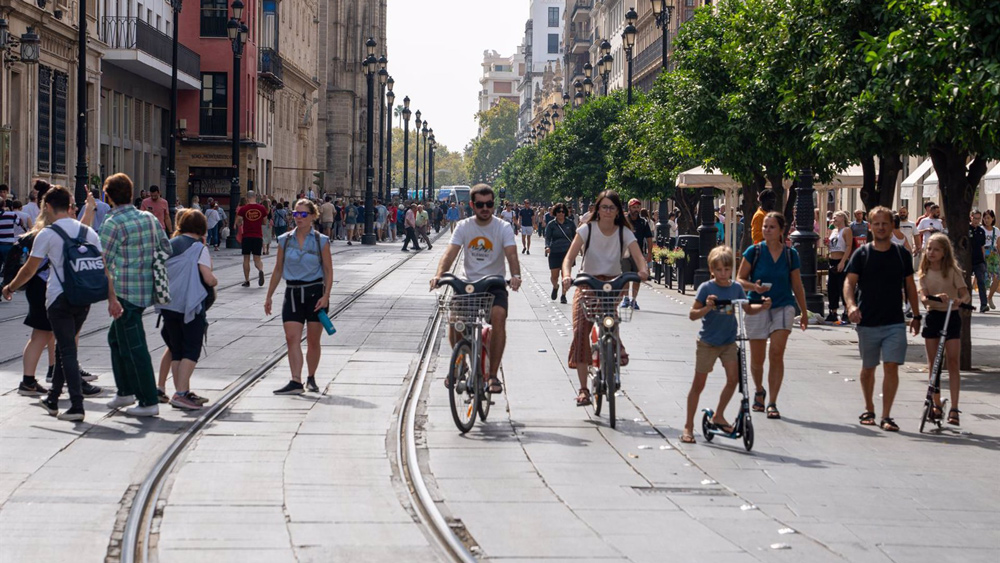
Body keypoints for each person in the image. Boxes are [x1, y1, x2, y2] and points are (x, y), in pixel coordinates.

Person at [2, 186, 103, 421]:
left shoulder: (47, 233)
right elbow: (102, 265)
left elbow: (29, 269)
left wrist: (10, 287)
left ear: (47, 206)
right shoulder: (88, 232)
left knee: (63, 347)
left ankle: (74, 403)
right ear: (70, 207)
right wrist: (110, 296)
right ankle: (55, 396)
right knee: (62, 346)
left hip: (58, 296)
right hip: (83, 297)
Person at [429, 184, 522, 395]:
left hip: (494, 284)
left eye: (489, 204)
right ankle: (460, 362)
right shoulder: (464, 226)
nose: (485, 208)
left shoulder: (503, 227)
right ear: (472, 205)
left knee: (499, 316)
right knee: (455, 319)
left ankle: (493, 375)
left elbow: (511, 254)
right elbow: (450, 254)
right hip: (468, 284)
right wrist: (439, 275)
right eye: (480, 204)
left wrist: (515, 276)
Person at [560, 190, 649, 407]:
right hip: (587, 281)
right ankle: (583, 390)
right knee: (581, 329)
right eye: (604, 207)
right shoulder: (586, 229)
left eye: (612, 207)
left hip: (613, 282)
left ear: (618, 211)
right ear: (597, 209)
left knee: (609, 317)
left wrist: (643, 270)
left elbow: (639, 257)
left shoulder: (624, 233)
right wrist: (567, 276)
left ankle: (614, 341)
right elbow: (569, 258)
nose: (607, 211)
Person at [99, 173, 172, 417]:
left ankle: (148, 399)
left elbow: (104, 263)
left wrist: (111, 298)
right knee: (115, 339)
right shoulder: (149, 218)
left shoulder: (112, 224)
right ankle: (125, 391)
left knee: (136, 346)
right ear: (131, 194)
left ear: (108, 197)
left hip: (124, 293)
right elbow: (166, 248)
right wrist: (150, 267)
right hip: (144, 290)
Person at [844, 207, 922, 432]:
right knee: (868, 367)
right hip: (867, 320)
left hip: (894, 321)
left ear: (892, 226)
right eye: (876, 224)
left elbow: (910, 286)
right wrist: (851, 306)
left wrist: (916, 315)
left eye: (884, 224)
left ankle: (887, 415)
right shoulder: (862, 254)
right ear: (870, 227)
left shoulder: (901, 254)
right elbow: (849, 283)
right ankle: (869, 408)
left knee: (891, 366)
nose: (880, 227)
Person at [682, 246, 770, 443]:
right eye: (719, 269)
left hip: (729, 341)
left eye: (727, 269)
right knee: (699, 385)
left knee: (734, 379)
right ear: (712, 270)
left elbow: (747, 309)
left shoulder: (736, 288)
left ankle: (719, 415)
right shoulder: (706, 288)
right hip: (708, 342)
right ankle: (688, 425)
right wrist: (707, 307)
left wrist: (762, 306)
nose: (723, 273)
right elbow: (692, 315)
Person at [736, 212, 809, 420]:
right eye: (765, 226)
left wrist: (803, 312)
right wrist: (754, 287)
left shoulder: (790, 254)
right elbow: (740, 279)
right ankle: (759, 390)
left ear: (781, 230)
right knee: (757, 359)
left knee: (776, 352)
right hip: (757, 305)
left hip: (783, 306)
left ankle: (773, 402)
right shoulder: (754, 251)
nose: (766, 230)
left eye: (771, 227)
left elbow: (797, 284)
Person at [265, 199, 333, 395]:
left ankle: (311, 377)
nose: (299, 218)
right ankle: (296, 381)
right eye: (296, 214)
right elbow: (278, 269)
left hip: (315, 295)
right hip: (293, 293)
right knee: (291, 337)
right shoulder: (284, 240)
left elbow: (328, 270)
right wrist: (269, 296)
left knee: (313, 341)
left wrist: (326, 295)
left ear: (312, 216)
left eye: (303, 214)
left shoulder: (321, 240)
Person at [156, 210, 217, 410]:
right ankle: (181, 394)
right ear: (202, 228)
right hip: (189, 306)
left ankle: (182, 391)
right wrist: (215, 280)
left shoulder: (168, 244)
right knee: (191, 349)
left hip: (168, 305)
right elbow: (207, 277)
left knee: (177, 350)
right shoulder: (198, 248)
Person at [916, 233, 970, 426]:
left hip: (951, 316)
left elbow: (965, 295)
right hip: (933, 316)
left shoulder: (952, 271)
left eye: (936, 249)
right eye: (929, 248)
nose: (931, 252)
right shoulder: (923, 271)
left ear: (944, 252)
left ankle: (954, 407)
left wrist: (959, 301)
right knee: (934, 363)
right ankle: (936, 403)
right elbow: (923, 296)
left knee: (952, 361)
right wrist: (934, 297)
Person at [622, 198, 654, 310]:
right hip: (625, 253)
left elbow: (649, 238)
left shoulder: (643, 222)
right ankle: (626, 299)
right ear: (629, 208)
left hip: (638, 254)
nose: (636, 210)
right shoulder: (624, 220)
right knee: (625, 277)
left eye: (638, 207)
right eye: (634, 207)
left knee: (636, 278)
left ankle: (634, 300)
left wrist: (649, 253)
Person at [544, 203, 576, 304]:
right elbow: (547, 237)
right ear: (555, 213)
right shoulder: (551, 224)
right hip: (555, 252)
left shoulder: (570, 224)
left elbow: (576, 237)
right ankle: (555, 286)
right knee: (554, 276)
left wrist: (577, 249)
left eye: (562, 212)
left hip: (567, 252)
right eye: (558, 212)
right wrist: (547, 246)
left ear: (565, 213)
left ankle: (563, 295)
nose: (561, 214)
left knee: (565, 276)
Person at [826, 210, 853, 324]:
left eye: (836, 216)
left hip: (841, 260)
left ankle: (847, 311)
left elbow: (848, 246)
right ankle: (833, 311)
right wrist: (827, 244)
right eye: (833, 217)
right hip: (832, 260)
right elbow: (833, 245)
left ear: (843, 218)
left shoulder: (846, 230)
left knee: (842, 287)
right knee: (832, 288)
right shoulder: (833, 231)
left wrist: (842, 262)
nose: (834, 218)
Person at [236, 191, 267, 287]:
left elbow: (239, 222)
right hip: (258, 236)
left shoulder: (244, 209)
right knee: (257, 259)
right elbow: (265, 222)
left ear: (247, 198)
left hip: (247, 236)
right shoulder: (262, 208)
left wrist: (243, 221)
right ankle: (260, 270)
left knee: (246, 259)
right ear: (255, 197)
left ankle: (247, 280)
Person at [969, 210, 989, 313]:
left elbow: (982, 247)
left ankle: (984, 305)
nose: (977, 221)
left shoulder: (981, 231)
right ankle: (967, 304)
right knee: (966, 283)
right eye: (975, 218)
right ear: (971, 217)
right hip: (967, 261)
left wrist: (984, 260)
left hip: (978, 261)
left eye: (978, 218)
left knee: (981, 282)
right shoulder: (966, 229)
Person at [983, 209, 999, 309]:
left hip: (994, 255)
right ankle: (984, 300)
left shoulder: (996, 230)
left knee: (997, 278)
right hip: (984, 254)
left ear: (993, 218)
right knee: (985, 278)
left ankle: (990, 297)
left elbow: (999, 244)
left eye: (988, 218)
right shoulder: (981, 230)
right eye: (985, 218)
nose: (986, 220)